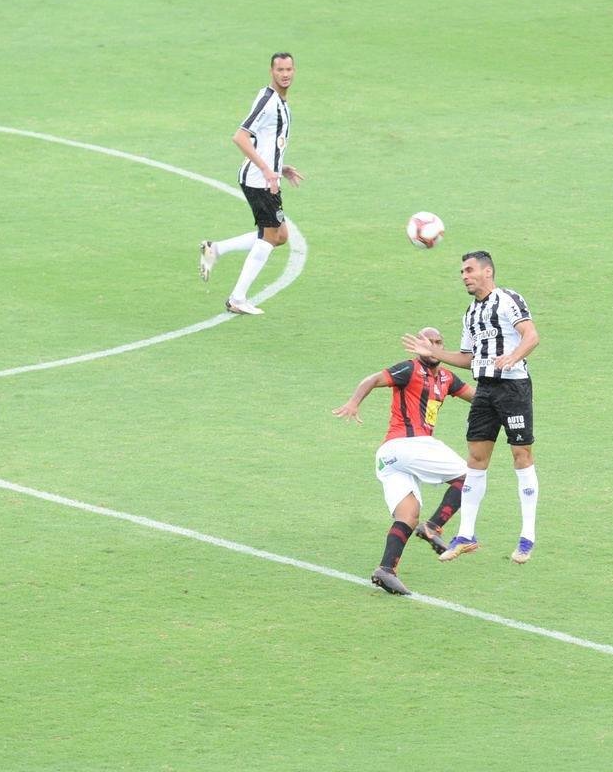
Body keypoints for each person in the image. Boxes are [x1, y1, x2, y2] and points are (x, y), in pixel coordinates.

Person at [402, 250, 540, 564]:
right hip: (485, 392)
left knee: (522, 455)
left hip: (513, 387)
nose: (464, 276)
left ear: (487, 271)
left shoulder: (508, 300)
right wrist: (434, 353)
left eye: (469, 270)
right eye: (462, 272)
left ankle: (527, 537)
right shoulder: (470, 314)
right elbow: (467, 358)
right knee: (476, 459)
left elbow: (531, 336)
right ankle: (466, 535)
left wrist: (512, 357)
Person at [333, 327, 475, 596]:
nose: (433, 345)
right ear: (419, 345)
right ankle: (433, 527)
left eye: (438, 342)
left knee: (407, 516)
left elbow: (476, 398)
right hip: (408, 444)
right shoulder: (409, 369)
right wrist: (353, 402)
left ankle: (385, 570)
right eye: (428, 341)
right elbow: (374, 379)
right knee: (470, 477)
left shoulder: (446, 378)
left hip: (390, 458)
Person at [199, 52, 304, 316]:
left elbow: (268, 142)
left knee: (280, 236)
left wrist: (281, 168)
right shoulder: (268, 101)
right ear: (272, 71)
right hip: (259, 181)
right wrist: (269, 171)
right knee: (270, 237)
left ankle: (215, 249)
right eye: (280, 69)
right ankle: (237, 298)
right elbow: (240, 137)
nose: (285, 74)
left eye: (289, 69)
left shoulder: (282, 103)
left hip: (267, 176)